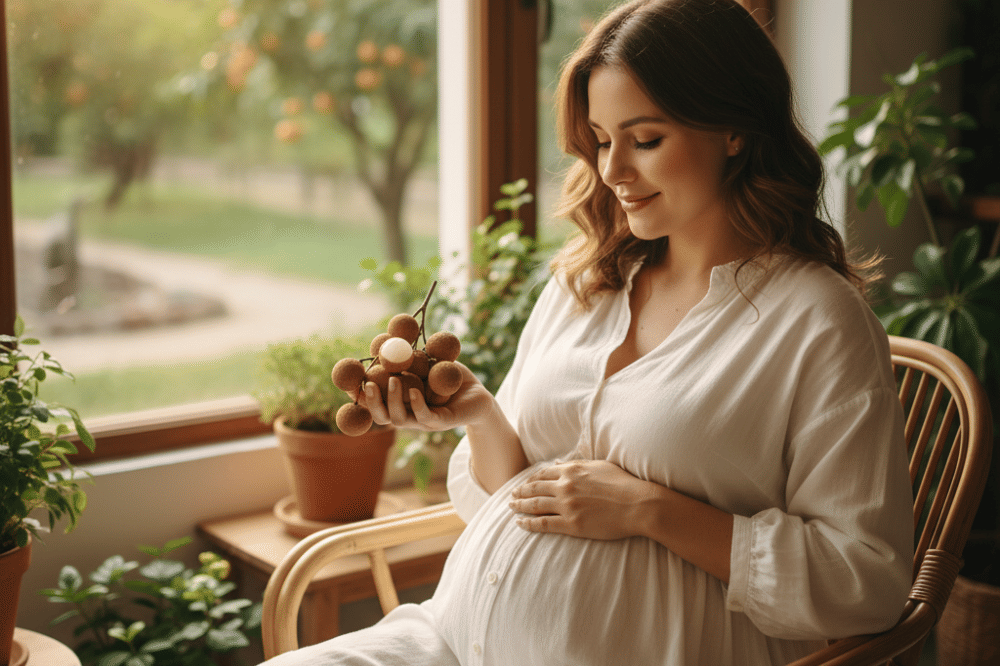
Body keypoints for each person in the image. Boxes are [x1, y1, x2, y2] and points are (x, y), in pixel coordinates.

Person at [262, 0, 914, 663]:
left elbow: (866, 580)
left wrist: (652, 511)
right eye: (602, 140)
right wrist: (482, 418)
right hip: (451, 639)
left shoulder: (816, 322)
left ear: (734, 130)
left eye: (646, 139)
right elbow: (524, 493)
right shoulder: (587, 283)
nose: (612, 171)